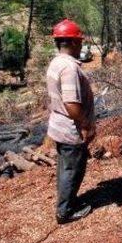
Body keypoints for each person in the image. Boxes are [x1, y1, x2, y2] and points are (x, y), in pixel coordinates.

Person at [46, 19, 96, 224]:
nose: (82, 45)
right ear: (74, 43)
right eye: (80, 42)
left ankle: (66, 201)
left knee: (66, 167)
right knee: (72, 168)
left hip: (59, 125)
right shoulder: (69, 69)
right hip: (70, 128)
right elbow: (72, 104)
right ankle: (65, 211)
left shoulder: (56, 62)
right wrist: (86, 124)